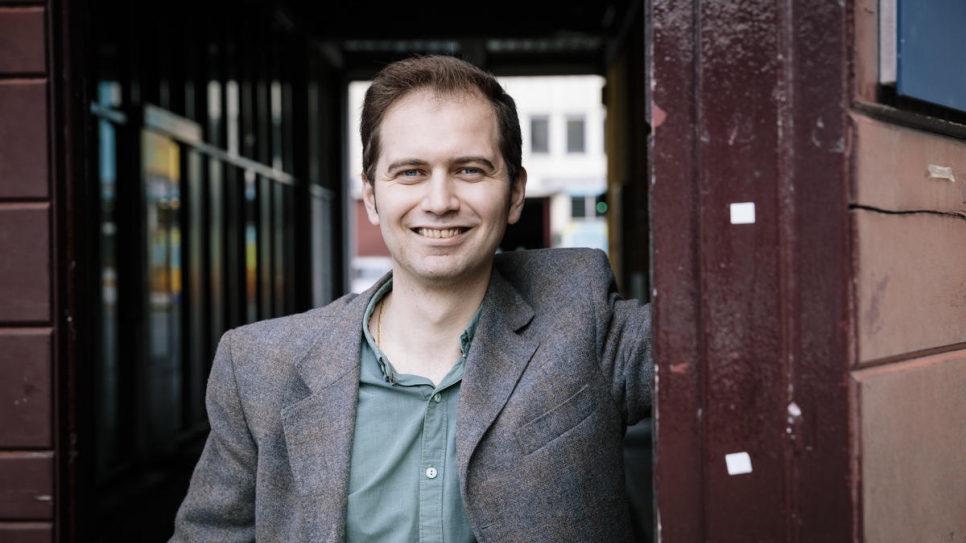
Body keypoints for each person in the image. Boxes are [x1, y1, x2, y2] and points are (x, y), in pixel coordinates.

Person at [170, 55, 652, 542]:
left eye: (469, 170)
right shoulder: (258, 370)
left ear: (515, 194)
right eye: (410, 173)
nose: (439, 201)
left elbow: (718, 347)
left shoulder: (582, 313)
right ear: (372, 196)